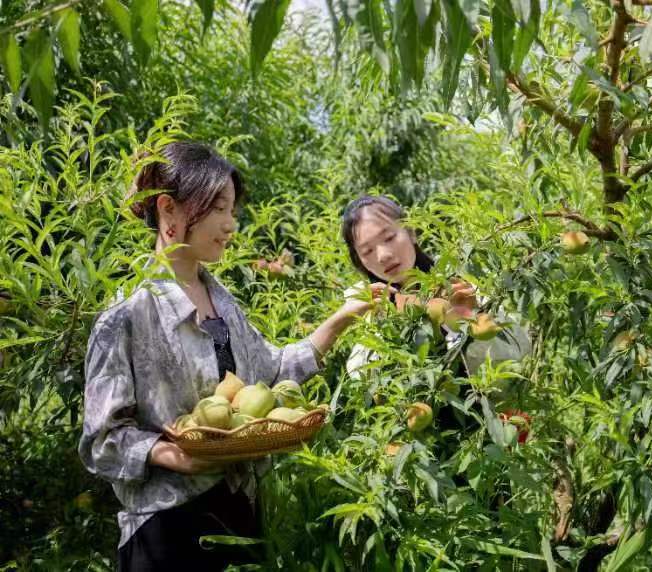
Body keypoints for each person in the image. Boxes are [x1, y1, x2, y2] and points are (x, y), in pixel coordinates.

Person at [78, 142, 390, 571]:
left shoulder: (225, 307)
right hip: (167, 530)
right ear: (169, 209)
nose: (231, 224)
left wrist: (341, 319)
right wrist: (173, 455)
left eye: (232, 210)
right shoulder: (128, 314)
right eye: (219, 209)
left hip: (240, 512)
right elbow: (101, 440)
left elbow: (273, 375)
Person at [340, 195, 532, 406]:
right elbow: (362, 381)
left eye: (389, 237)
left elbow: (519, 352)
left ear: (411, 232)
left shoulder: (458, 282)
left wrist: (463, 320)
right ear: (361, 262)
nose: (383, 255)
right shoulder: (372, 311)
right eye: (367, 251)